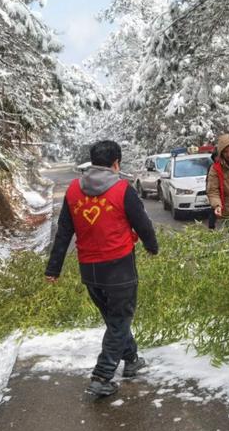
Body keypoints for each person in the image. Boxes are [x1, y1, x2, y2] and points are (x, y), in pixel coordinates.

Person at [45, 140, 158, 396]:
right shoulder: (122, 189)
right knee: (119, 321)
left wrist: (53, 268)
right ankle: (102, 376)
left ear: (93, 161)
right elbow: (143, 224)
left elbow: (64, 232)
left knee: (115, 319)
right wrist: (152, 247)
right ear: (116, 163)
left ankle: (132, 360)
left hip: (90, 271)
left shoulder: (74, 190)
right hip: (119, 268)